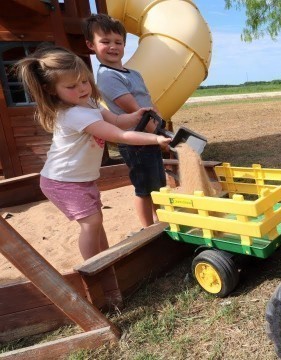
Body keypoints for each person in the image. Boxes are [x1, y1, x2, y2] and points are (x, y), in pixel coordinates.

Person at [14, 45, 171, 308]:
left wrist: (135, 115)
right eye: (72, 86)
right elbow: (119, 136)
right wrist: (155, 138)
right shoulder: (74, 114)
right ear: (53, 90)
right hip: (62, 181)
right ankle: (94, 271)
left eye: (85, 81)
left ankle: (106, 259)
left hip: (80, 179)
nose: (83, 88)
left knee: (96, 221)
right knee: (92, 222)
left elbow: (119, 122)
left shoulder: (87, 103)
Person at [83, 13, 166, 228]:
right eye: (105, 42)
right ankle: (148, 227)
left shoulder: (134, 73)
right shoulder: (108, 76)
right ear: (91, 45)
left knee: (157, 183)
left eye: (118, 42)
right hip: (134, 140)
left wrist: (161, 124)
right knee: (144, 187)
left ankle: (161, 221)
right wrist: (156, 132)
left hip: (149, 135)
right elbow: (134, 108)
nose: (113, 47)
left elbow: (148, 101)